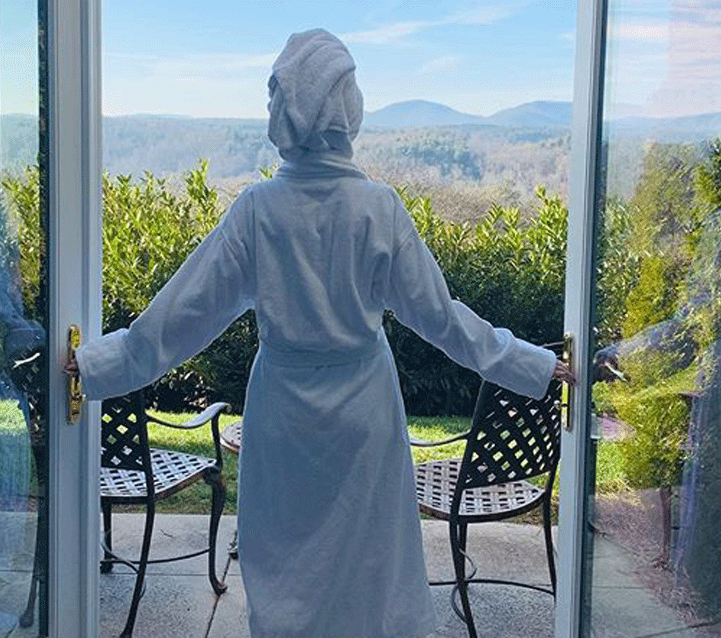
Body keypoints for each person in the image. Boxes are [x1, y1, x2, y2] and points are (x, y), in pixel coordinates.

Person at [65, 28, 575, 638]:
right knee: (367, 579)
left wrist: (96, 366)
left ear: (284, 112)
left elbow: (181, 317)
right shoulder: (379, 209)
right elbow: (445, 320)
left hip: (283, 419)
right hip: (364, 419)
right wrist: (534, 365)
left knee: (286, 576)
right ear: (346, 109)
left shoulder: (257, 211)